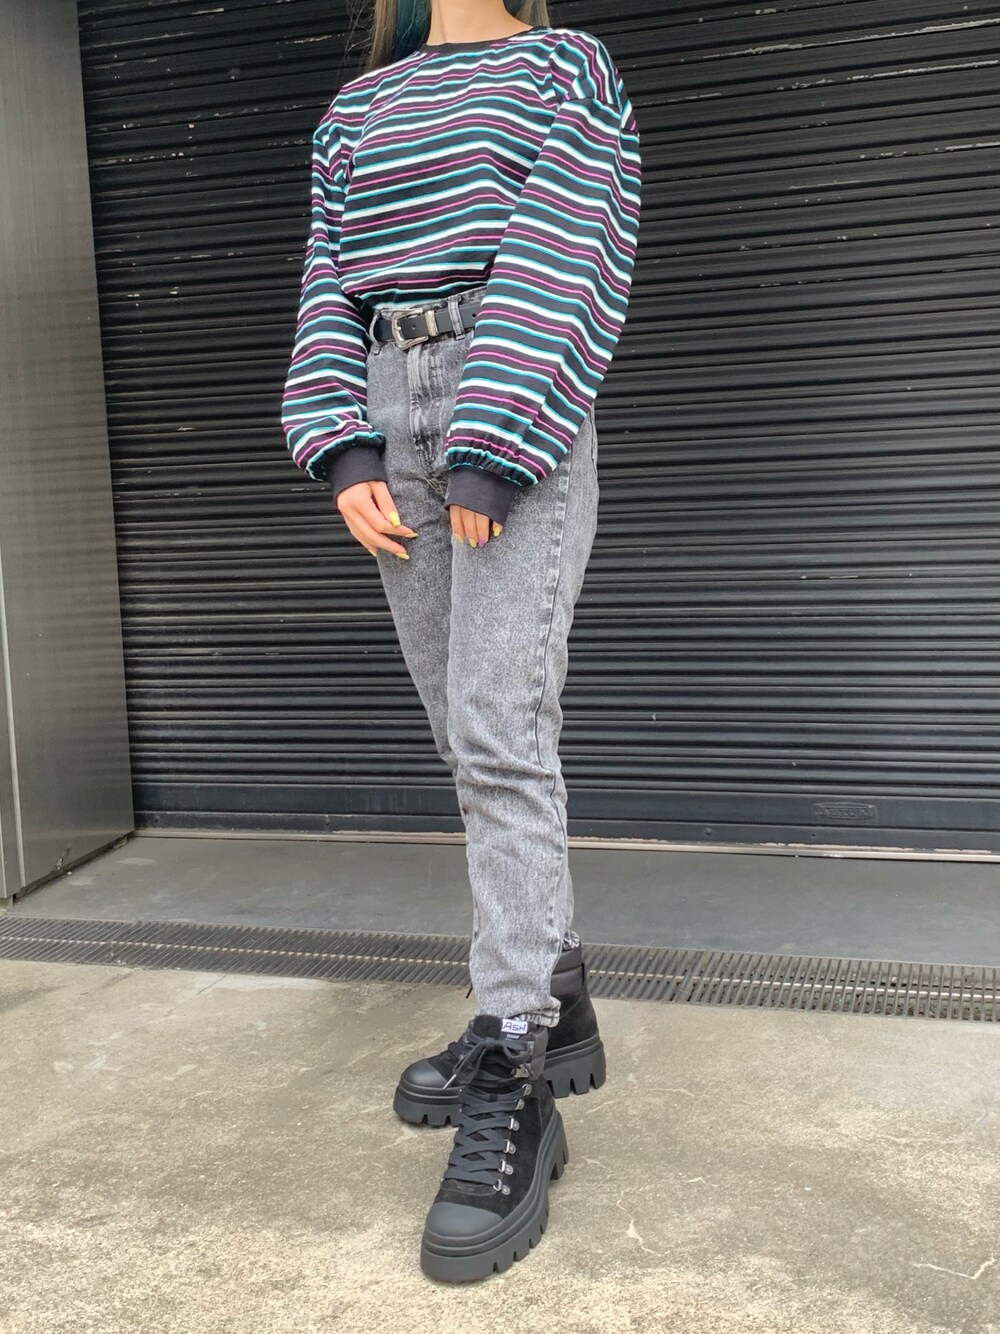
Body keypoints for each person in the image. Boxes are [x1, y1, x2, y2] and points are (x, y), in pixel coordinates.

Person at [281, 0, 642, 1282]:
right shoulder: (356, 108)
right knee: (464, 730)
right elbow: (328, 277)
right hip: (390, 407)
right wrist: (341, 445)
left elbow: (571, 245)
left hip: (508, 393)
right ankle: (557, 988)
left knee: (497, 728)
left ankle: (517, 1062)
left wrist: (495, 439)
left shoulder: (564, 70)